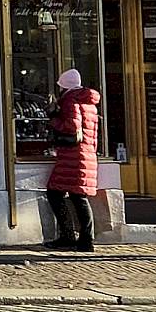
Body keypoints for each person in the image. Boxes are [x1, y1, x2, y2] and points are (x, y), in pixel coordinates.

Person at [44, 69, 102, 253]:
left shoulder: (70, 100)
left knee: (56, 194)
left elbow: (71, 126)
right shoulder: (89, 102)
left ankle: (70, 236)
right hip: (86, 154)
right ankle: (85, 239)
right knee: (79, 197)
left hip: (73, 155)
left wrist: (53, 118)